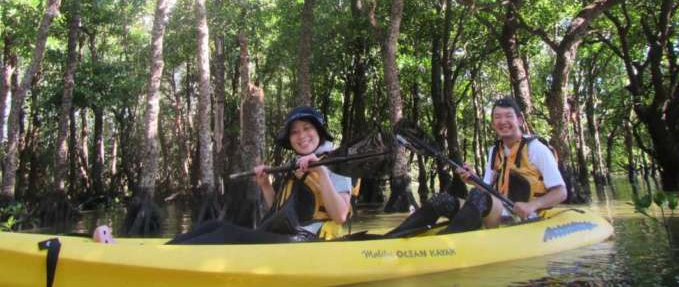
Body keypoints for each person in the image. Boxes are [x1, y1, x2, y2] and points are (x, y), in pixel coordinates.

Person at [167, 105, 352, 244]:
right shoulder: (297, 166)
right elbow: (281, 212)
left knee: (225, 235)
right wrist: (265, 185)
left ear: (319, 131)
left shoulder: (336, 164)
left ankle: (170, 258)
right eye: (294, 132)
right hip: (287, 235)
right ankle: (167, 250)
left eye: (307, 128)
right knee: (214, 226)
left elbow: (340, 216)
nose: (301, 135)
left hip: (309, 241)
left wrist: (321, 171)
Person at [388, 96, 566, 236]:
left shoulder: (536, 149)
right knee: (441, 199)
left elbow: (561, 192)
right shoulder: (494, 151)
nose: (503, 121)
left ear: (519, 120)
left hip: (525, 217)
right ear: (492, 123)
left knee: (477, 196)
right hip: (497, 212)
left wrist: (532, 206)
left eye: (508, 116)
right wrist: (473, 179)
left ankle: (450, 242)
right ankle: (392, 238)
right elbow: (487, 190)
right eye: (497, 117)